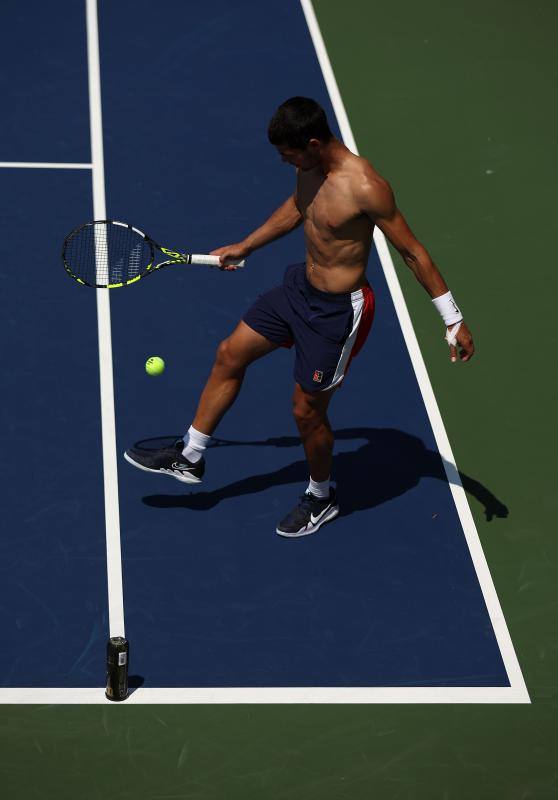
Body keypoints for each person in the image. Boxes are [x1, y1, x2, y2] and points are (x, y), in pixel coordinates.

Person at [124, 96, 474, 537]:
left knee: (306, 411)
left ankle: (321, 497)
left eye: (288, 153)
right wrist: (246, 245)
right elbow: (297, 207)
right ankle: (190, 456)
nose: (283, 160)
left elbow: (412, 252)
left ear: (312, 142)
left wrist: (452, 318)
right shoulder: (308, 167)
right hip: (296, 292)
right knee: (230, 353)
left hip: (337, 314)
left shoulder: (365, 186)